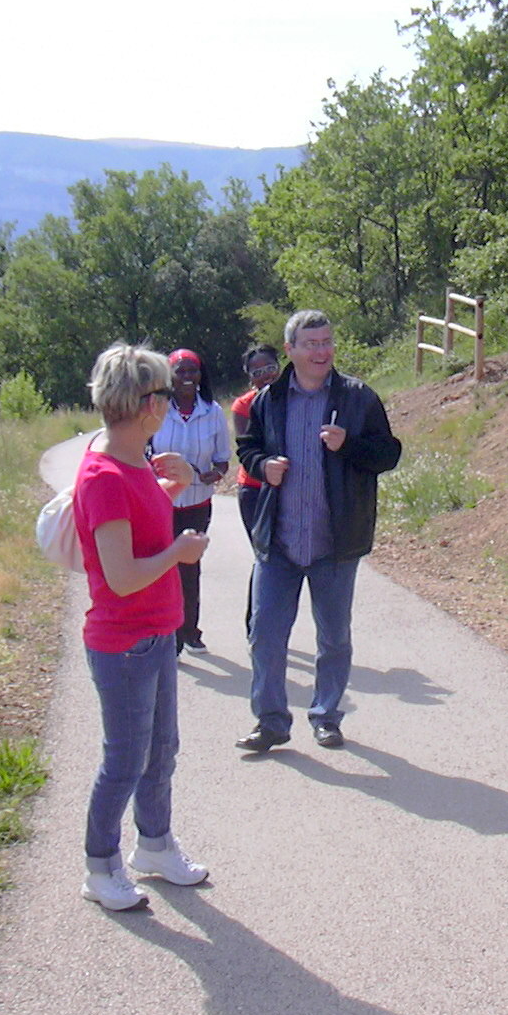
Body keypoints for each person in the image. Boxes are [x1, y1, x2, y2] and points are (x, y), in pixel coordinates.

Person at [73, 343, 212, 911]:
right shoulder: (104, 474)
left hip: (158, 631)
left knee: (161, 751)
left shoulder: (134, 463)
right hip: (124, 641)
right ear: (147, 403)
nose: (173, 396)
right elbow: (122, 575)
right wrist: (179, 553)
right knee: (124, 761)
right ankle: (100, 867)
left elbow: (140, 531)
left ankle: (153, 846)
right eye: (163, 390)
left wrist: (173, 490)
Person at [234, 310, 402, 752]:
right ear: (290, 349)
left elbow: (388, 454)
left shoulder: (358, 397)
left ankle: (326, 715)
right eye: (311, 344)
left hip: (335, 543)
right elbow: (248, 447)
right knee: (266, 635)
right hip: (280, 542)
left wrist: (348, 444)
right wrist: (262, 465)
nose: (321, 351)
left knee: (333, 638)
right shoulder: (269, 400)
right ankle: (270, 721)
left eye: (326, 342)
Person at [148, 348, 230, 655]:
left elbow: (223, 458)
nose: (187, 377)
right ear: (168, 377)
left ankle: (190, 632)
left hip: (197, 504)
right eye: (180, 372)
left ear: (200, 375)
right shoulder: (156, 409)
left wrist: (216, 474)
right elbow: (143, 451)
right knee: (160, 567)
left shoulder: (213, 411)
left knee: (189, 568)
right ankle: (165, 635)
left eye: (192, 371)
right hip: (160, 503)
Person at [230, 344, 281, 634]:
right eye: (257, 372)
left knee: (281, 559)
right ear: (250, 376)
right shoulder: (243, 405)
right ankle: (256, 625)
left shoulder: (295, 395)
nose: (265, 376)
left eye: (270, 369)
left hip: (287, 487)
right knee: (264, 556)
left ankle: (269, 624)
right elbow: (249, 452)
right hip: (254, 490)